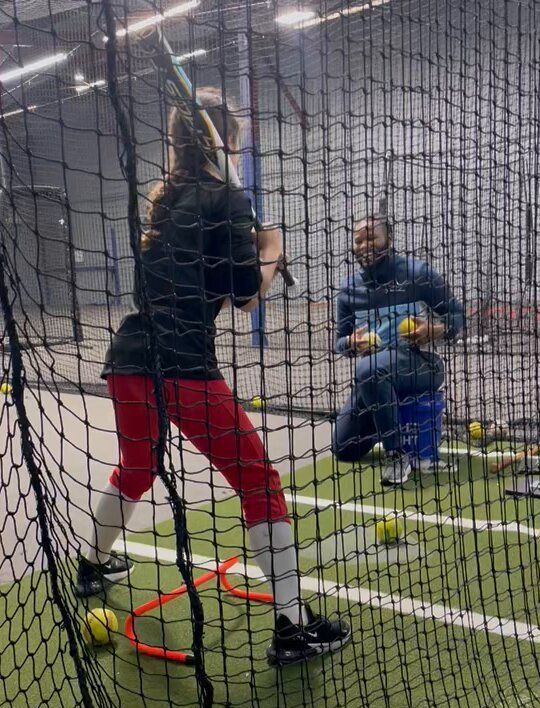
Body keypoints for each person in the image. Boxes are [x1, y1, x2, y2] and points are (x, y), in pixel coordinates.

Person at [76, 88, 351, 666]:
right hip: (182, 364)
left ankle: (91, 566)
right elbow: (248, 296)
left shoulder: (168, 199)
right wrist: (271, 248)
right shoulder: (225, 198)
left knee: (137, 466)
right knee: (259, 482)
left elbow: (213, 278)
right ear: (225, 140)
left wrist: (245, 238)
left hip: (130, 357)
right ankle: (292, 626)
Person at [333, 214, 464, 485]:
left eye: (371, 238)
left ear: (388, 240)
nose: (364, 245)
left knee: (367, 369)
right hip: (375, 374)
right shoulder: (348, 290)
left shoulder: (417, 274)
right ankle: (388, 410)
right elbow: (339, 343)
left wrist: (434, 330)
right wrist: (350, 343)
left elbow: (457, 315)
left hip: (421, 364)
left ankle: (396, 454)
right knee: (344, 449)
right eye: (358, 241)